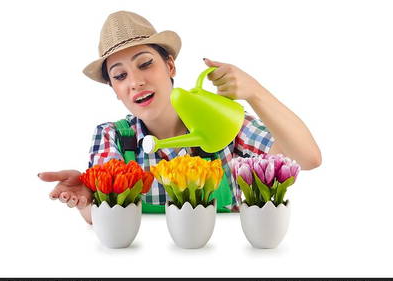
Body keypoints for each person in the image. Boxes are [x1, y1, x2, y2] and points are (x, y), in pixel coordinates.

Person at [38, 11, 321, 224]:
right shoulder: (112, 137)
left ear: (170, 66)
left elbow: (307, 158)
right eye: (120, 76)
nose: (135, 81)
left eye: (145, 64)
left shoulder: (223, 124)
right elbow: (98, 217)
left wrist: (256, 93)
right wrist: (86, 198)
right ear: (115, 91)